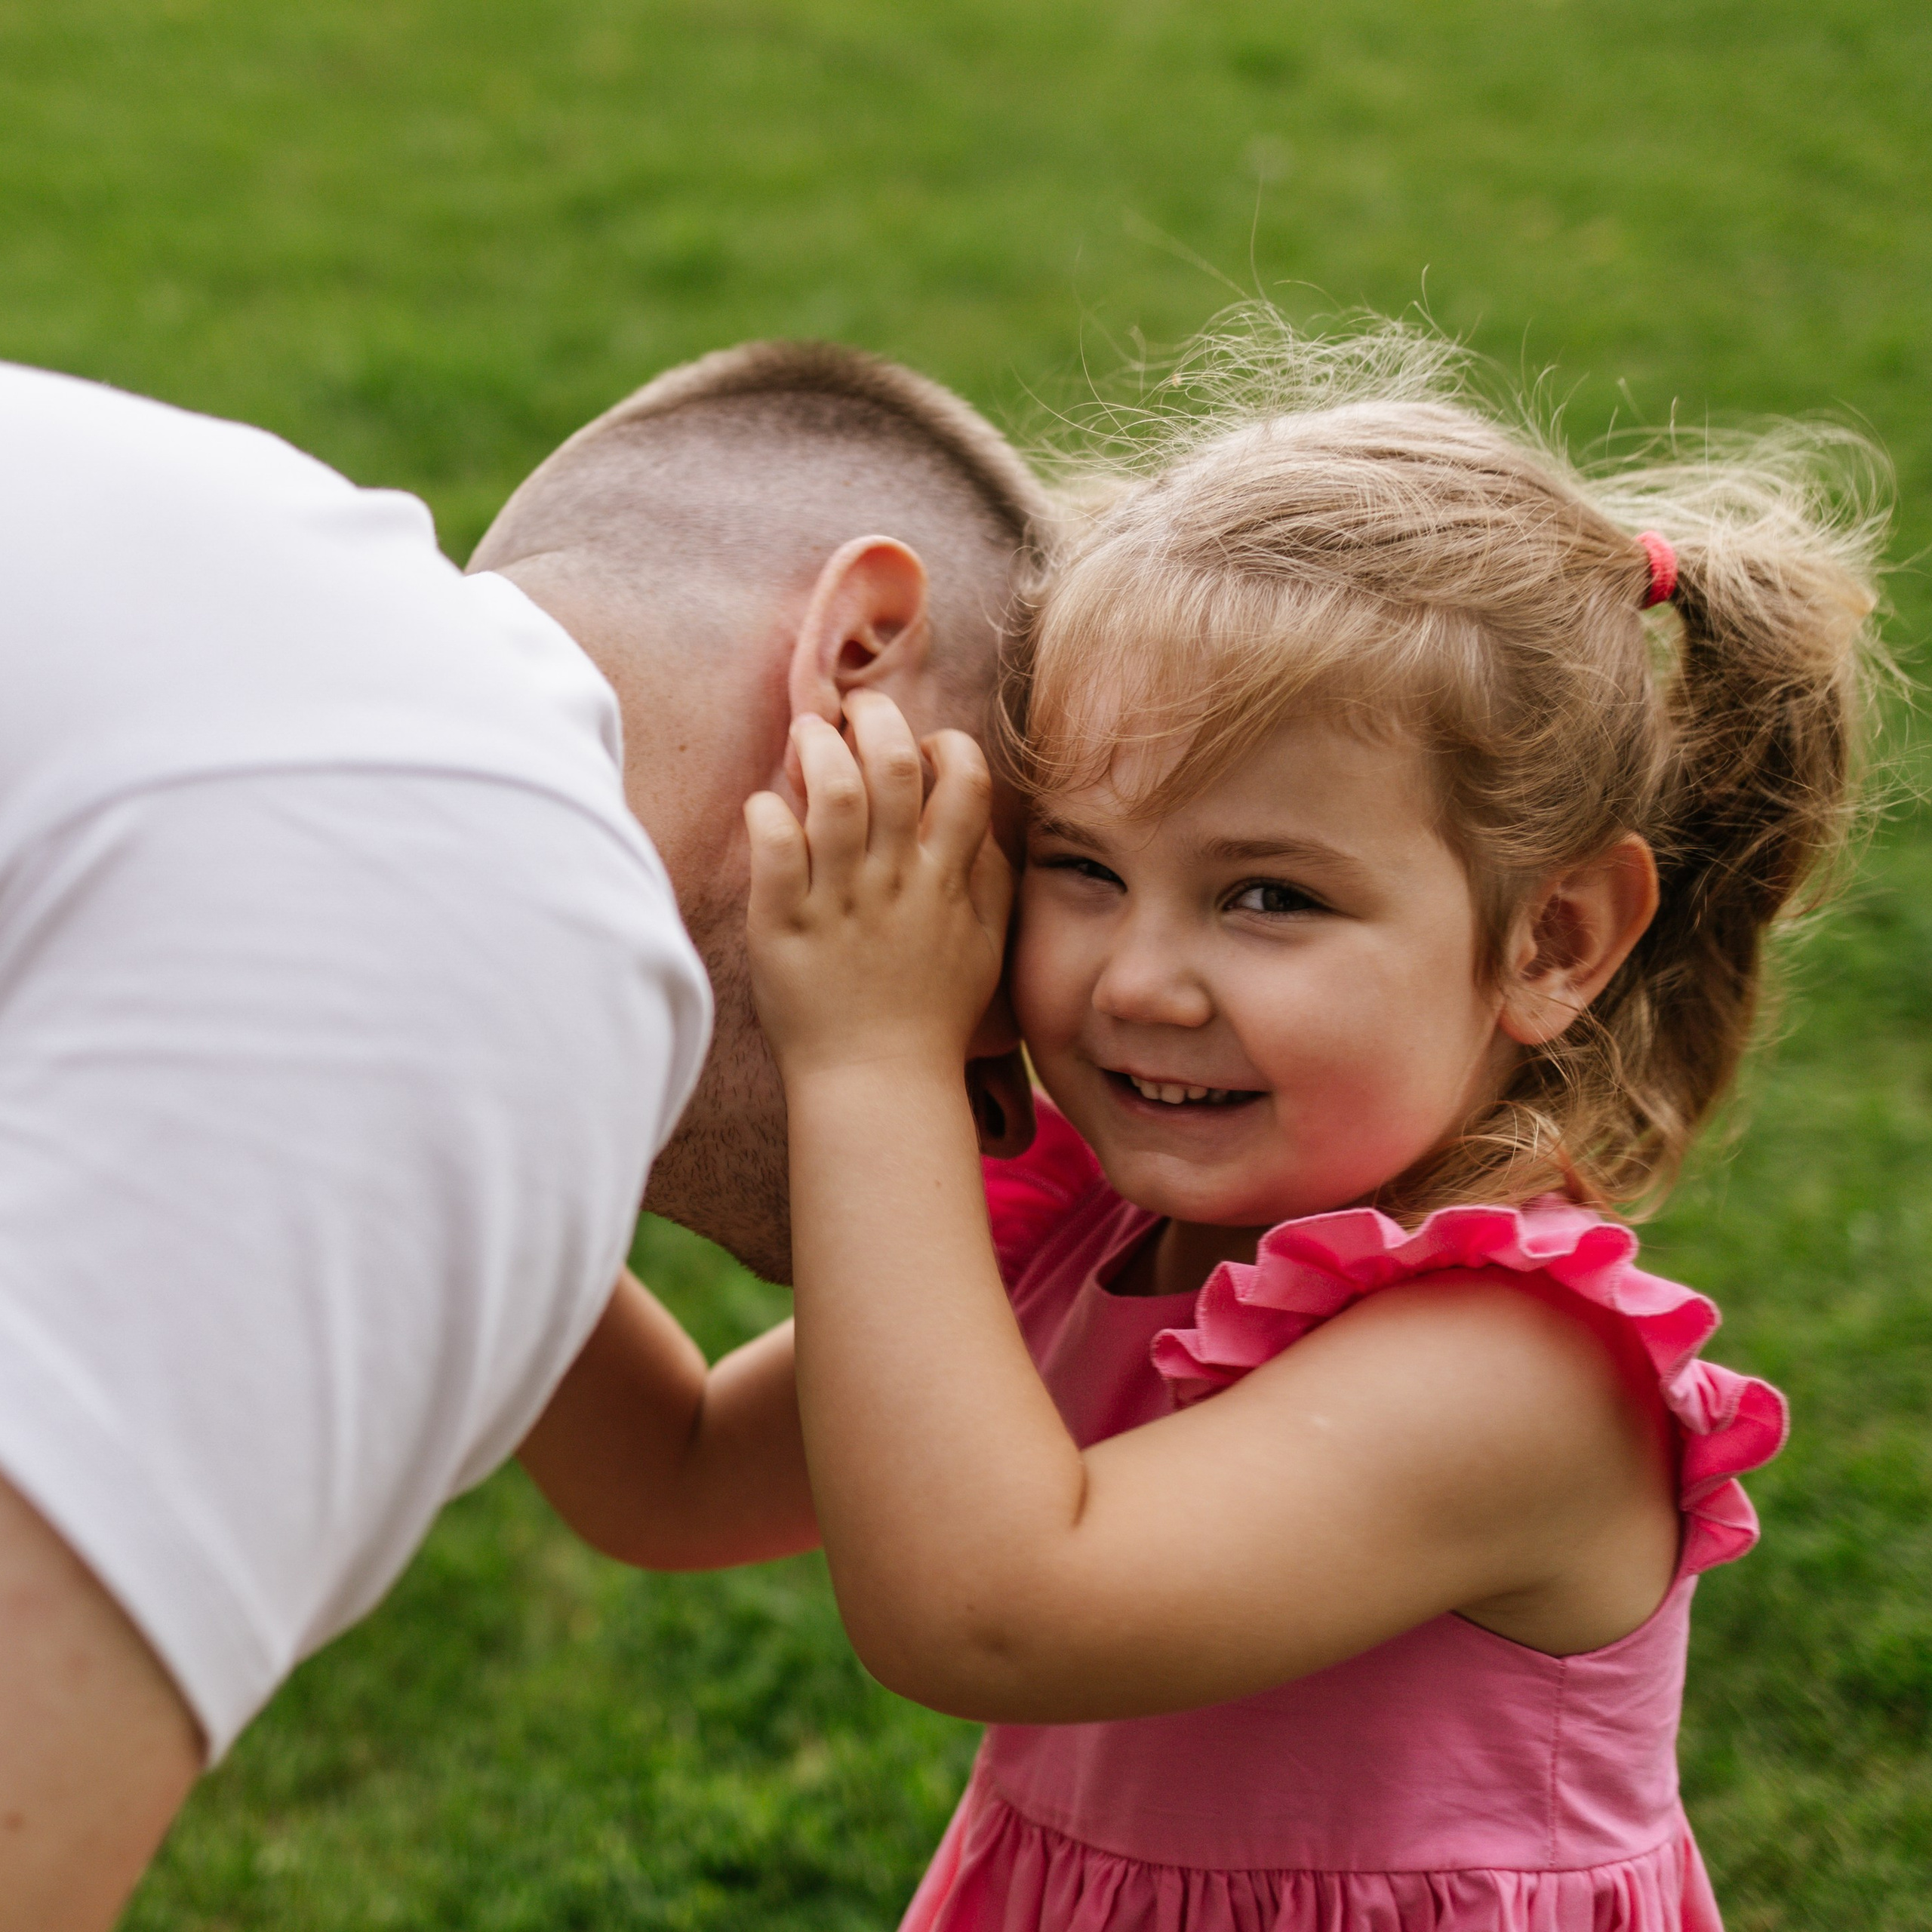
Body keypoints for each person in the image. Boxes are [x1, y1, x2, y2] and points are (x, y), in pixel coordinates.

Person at [740, 321, 1883, 1929]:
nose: (1139, 981)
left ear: (1551, 939)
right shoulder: (1092, 1233)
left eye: (1268, 896)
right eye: (1082, 864)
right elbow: (669, 1473)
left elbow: (987, 1615)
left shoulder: (1509, 1374)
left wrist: (872, 1058)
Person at [0, 339, 1048, 1932]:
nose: (1015, 1099)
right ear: (855, 655)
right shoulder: (489, 894)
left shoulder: (281, 648)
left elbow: (672, 1474)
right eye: (1013, 905)